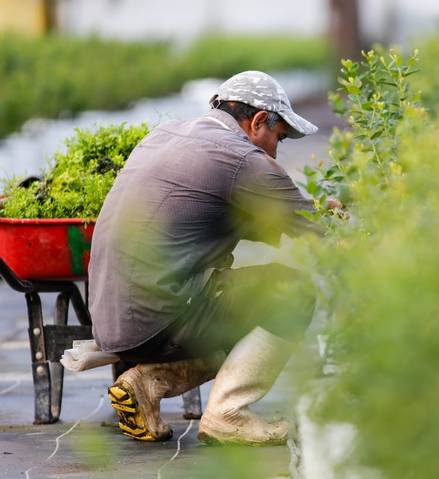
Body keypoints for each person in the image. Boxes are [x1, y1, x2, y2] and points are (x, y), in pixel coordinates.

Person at [88, 71, 322, 446]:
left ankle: (147, 383)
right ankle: (228, 415)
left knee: (227, 289)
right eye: (277, 137)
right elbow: (317, 228)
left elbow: (234, 221)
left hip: (108, 320)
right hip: (157, 323)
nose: (275, 151)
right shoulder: (242, 159)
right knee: (289, 291)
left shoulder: (166, 134)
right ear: (258, 120)